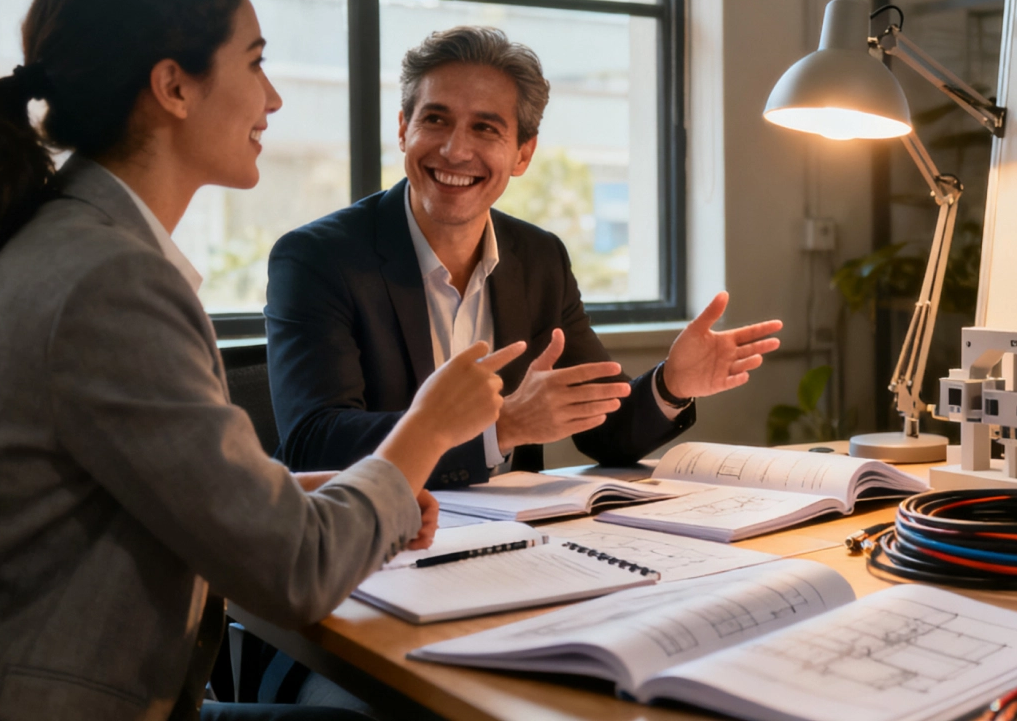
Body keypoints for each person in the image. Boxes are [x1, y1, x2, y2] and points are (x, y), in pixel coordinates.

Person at [0, 0, 523, 721]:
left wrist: (349, 490)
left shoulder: (74, 241)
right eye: (254, 61)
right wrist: (426, 429)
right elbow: (296, 572)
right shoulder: (109, 280)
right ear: (173, 87)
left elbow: (188, 495)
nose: (272, 99)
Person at [266, 26, 783, 488]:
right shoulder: (317, 259)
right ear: (404, 129)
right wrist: (505, 426)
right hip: (373, 544)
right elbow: (315, 442)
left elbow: (603, 428)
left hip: (515, 546)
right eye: (436, 119)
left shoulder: (539, 258)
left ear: (523, 153)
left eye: (486, 128)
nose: (454, 150)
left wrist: (671, 383)